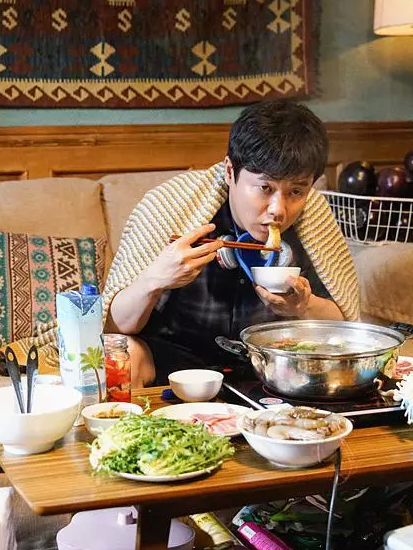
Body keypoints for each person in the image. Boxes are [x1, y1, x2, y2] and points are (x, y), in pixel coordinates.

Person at [102, 100, 360, 385]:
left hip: (269, 362)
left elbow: (343, 325)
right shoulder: (171, 207)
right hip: (173, 358)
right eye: (265, 187)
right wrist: (155, 280)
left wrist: (303, 306)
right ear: (229, 171)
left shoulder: (314, 220)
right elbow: (116, 326)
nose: (278, 210)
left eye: (296, 191)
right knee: (123, 357)